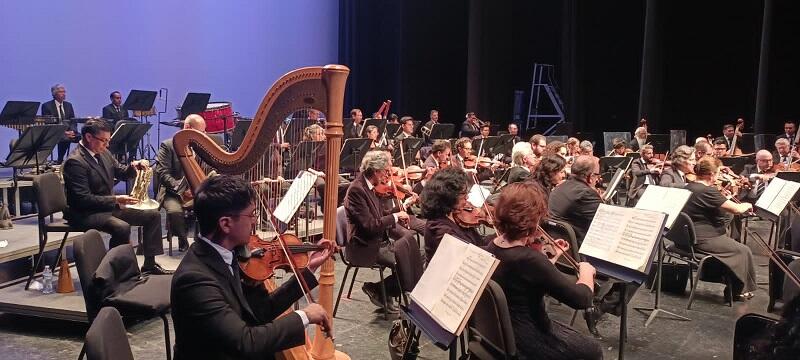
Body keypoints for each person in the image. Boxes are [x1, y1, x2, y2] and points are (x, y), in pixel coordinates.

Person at [170, 175, 333, 360]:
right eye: (251, 215)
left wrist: (308, 270)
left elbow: (260, 311)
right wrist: (304, 315)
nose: (255, 222)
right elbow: (245, 343)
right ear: (225, 223)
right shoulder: (194, 279)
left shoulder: (229, 255)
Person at [486, 182, 602, 360]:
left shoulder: (490, 245)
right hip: (527, 339)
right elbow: (582, 299)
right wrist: (586, 272)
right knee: (592, 351)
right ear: (534, 221)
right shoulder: (529, 259)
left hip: (498, 333)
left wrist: (549, 261)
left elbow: (524, 280)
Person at [62, 119, 170, 274]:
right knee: (121, 227)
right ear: (88, 137)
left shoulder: (104, 152)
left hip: (106, 207)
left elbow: (122, 172)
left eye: (108, 140)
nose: (107, 145)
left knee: (152, 216)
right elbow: (82, 199)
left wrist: (134, 167)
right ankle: (114, 272)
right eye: (103, 141)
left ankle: (149, 265)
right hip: (84, 213)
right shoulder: (75, 162)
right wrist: (116, 200)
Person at [344, 150, 415, 311]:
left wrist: (401, 209)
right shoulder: (357, 190)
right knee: (406, 258)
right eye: (385, 172)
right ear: (376, 171)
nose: (387, 176)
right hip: (364, 245)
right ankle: (383, 290)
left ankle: (382, 290)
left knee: (417, 253)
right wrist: (395, 217)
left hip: (377, 240)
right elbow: (370, 225)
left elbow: (381, 216)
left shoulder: (370, 186)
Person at [682, 156, 757, 301]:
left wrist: (724, 198)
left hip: (686, 236)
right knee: (743, 250)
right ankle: (737, 291)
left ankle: (728, 282)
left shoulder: (688, 186)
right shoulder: (707, 191)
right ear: (711, 174)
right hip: (703, 238)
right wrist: (747, 204)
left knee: (732, 246)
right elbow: (736, 209)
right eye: (717, 173)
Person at [155, 114, 207, 252]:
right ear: (188, 128)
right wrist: (180, 188)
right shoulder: (168, 145)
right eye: (200, 132)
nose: (203, 136)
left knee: (212, 206)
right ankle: (183, 240)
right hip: (172, 192)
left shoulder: (200, 146)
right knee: (174, 211)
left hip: (196, 192)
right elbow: (162, 173)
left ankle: (204, 241)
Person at [419, 167, 485, 261]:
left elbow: (477, 242)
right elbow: (469, 256)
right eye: (463, 196)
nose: (467, 198)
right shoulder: (440, 230)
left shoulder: (452, 214)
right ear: (449, 199)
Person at [548, 155, 601, 244]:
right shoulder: (586, 194)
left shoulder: (559, 187)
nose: (598, 179)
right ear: (590, 177)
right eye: (597, 175)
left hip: (558, 244)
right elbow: (604, 222)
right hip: (579, 248)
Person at [41, 83, 78, 164]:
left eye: (64, 92)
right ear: (54, 94)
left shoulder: (68, 105)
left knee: (83, 137)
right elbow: (48, 123)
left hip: (69, 131)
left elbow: (73, 121)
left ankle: (77, 160)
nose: (64, 94)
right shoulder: (47, 106)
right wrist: (63, 132)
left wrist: (72, 131)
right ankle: (60, 160)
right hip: (55, 132)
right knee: (64, 138)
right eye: (61, 92)